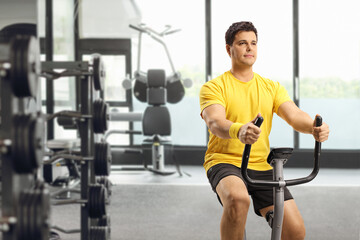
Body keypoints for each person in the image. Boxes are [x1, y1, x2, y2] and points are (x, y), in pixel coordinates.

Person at [199, 21, 330, 240]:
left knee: (295, 231)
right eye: (242, 43)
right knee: (238, 200)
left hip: (261, 164)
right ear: (228, 49)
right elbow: (215, 122)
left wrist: (313, 128)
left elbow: (294, 115)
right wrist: (239, 130)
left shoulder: (271, 87)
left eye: (253, 43)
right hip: (225, 161)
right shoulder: (214, 87)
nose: (249, 48)